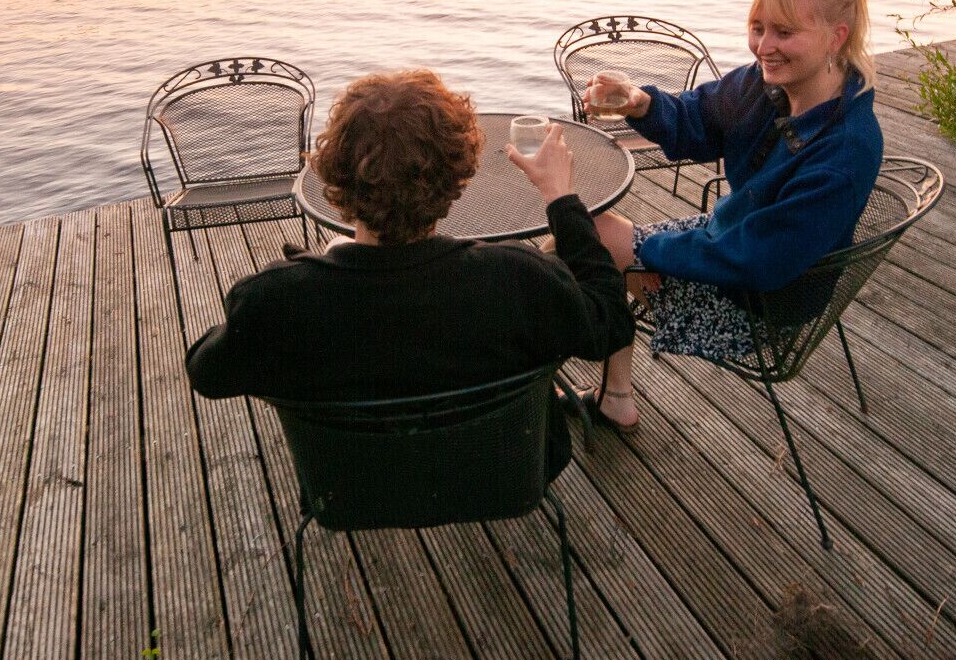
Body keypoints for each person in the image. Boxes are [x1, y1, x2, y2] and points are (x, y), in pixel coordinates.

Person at [185, 69, 634, 477]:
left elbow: (207, 374)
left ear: (334, 171)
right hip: (506, 471)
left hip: (354, 484)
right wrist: (560, 198)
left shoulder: (276, 300)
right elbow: (609, 322)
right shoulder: (517, 279)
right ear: (458, 175)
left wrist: (301, 279)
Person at [579, 0, 885, 431]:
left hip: (758, 304)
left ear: (836, 37)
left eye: (785, 32)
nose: (763, 46)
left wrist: (646, 250)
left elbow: (759, 259)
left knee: (576, 245)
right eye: (758, 27)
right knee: (586, 238)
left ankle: (532, 410)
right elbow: (700, 118)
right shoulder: (767, 86)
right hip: (730, 241)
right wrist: (642, 103)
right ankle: (615, 397)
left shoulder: (844, 149)